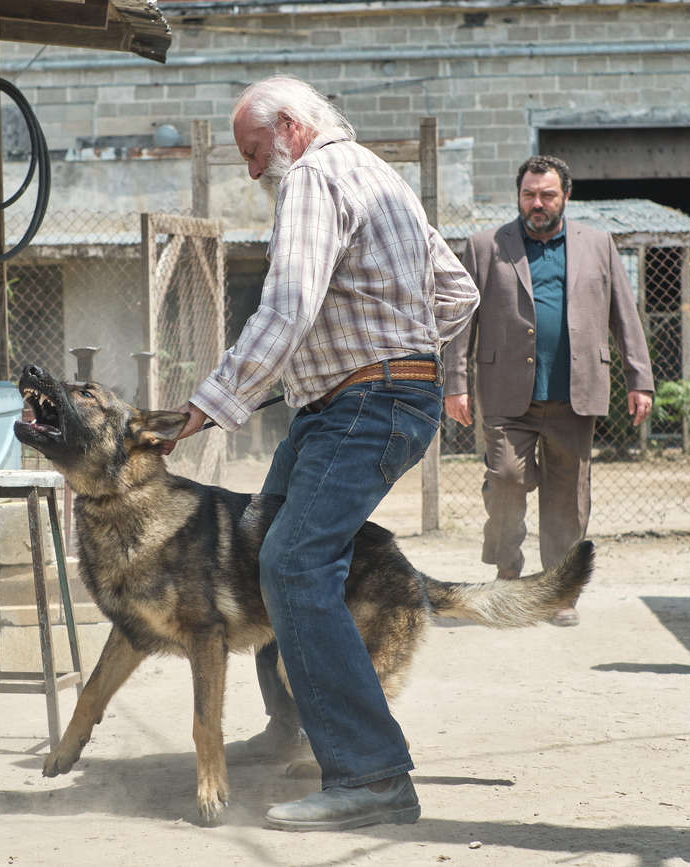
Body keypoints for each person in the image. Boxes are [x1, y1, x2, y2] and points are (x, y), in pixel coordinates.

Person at [166, 75, 479, 831]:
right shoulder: (381, 175)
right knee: (259, 547)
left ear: (291, 129)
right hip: (362, 401)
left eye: (252, 152)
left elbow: (288, 303)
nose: (251, 170)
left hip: (363, 405)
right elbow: (458, 292)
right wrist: (390, 341)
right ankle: (293, 731)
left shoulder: (311, 176)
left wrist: (210, 404)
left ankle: (371, 774)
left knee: (293, 563)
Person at [441, 155, 654, 626]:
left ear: (565, 197)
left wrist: (639, 380)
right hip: (505, 394)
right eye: (529, 195)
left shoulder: (598, 245)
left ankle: (560, 593)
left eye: (547, 195)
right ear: (519, 196)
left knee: (567, 496)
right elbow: (460, 325)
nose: (537, 204)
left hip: (574, 393)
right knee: (506, 481)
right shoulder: (484, 247)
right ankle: (507, 569)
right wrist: (454, 385)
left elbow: (625, 316)